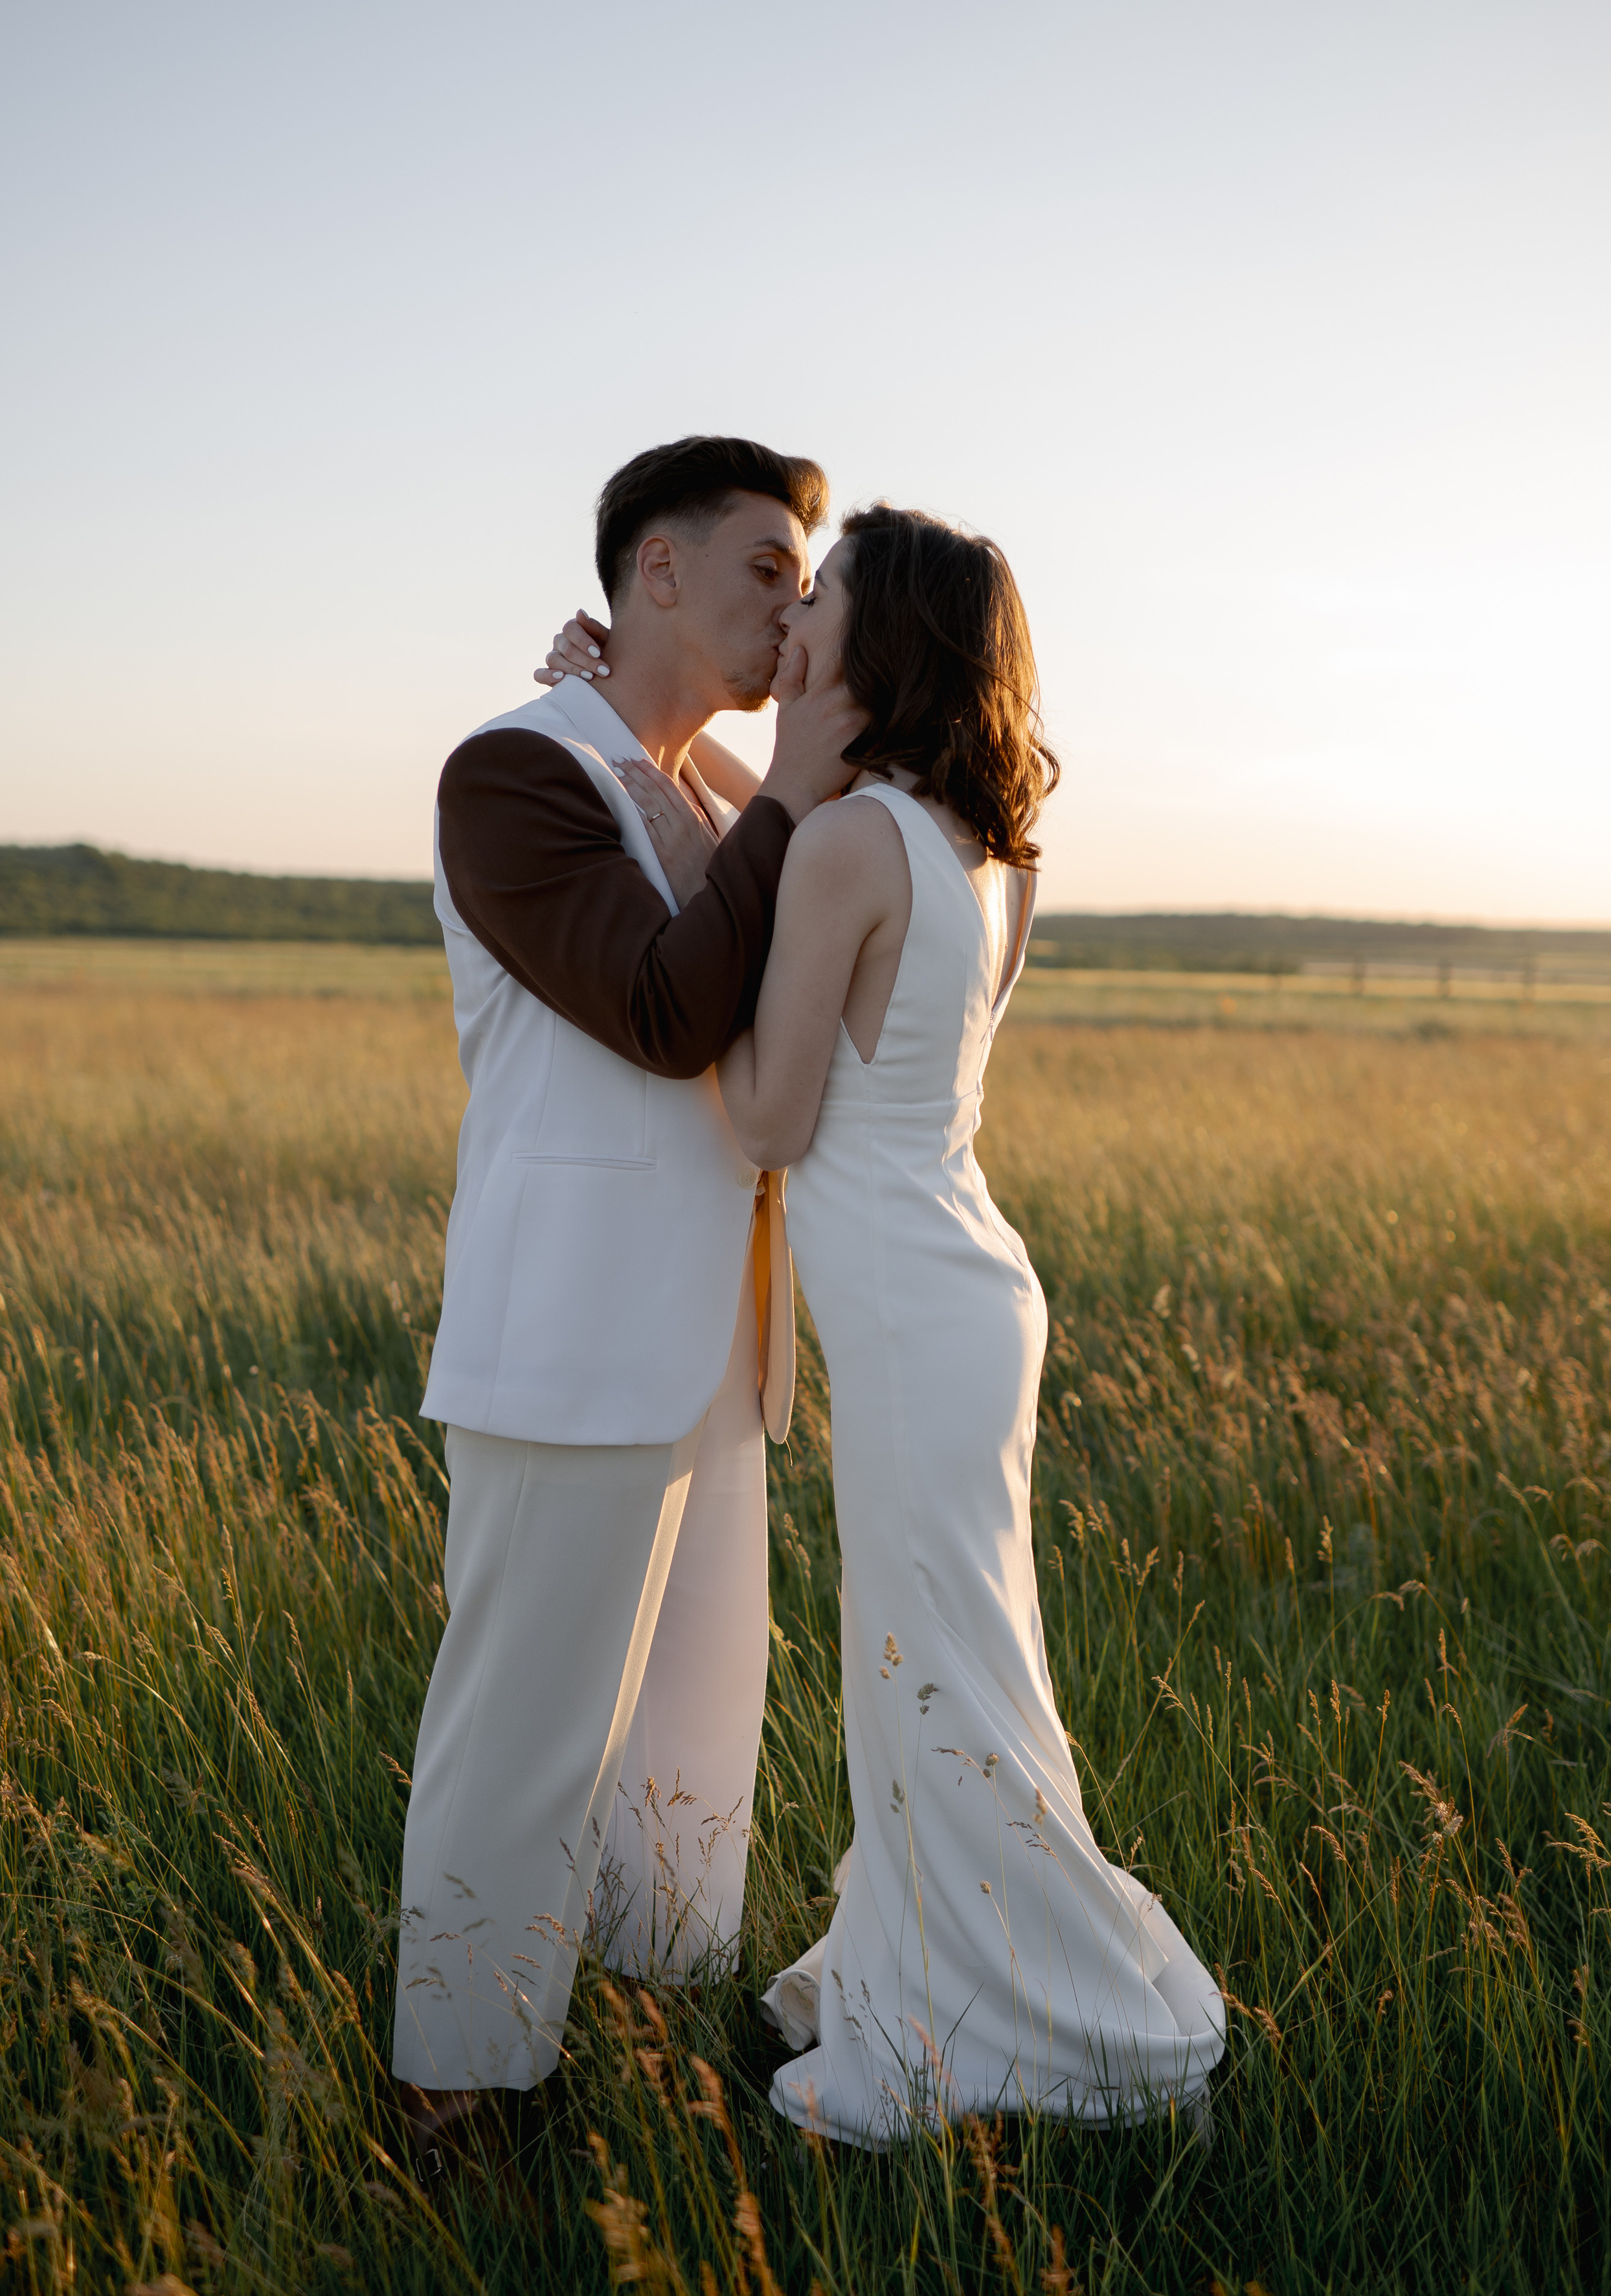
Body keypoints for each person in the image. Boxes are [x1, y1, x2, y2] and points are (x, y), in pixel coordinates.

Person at [607, 504, 1226, 2144]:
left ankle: (1023, 2025)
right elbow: (826, 862)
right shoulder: (982, 848)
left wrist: (687, 966)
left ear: (880, 644)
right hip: (969, 1286)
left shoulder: (841, 850)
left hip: (890, 1294)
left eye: (823, 597)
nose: (794, 616)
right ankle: (961, 1959)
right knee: (961, 1657)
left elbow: (760, 1119)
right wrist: (707, 786)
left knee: (923, 1665)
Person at [393, 436, 863, 2183]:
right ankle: (456, 2099)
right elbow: (671, 1008)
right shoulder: (508, 776)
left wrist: (766, 780)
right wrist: (789, 791)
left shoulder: (709, 794)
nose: (795, 603)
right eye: (766, 565)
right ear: (650, 570)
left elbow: (762, 897)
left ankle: (652, 2041)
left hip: (720, 1348)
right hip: (569, 1333)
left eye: (809, 574)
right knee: (518, 1738)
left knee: (691, 1735)